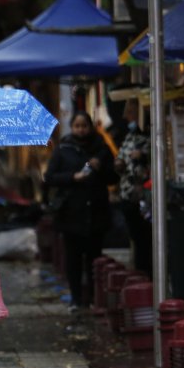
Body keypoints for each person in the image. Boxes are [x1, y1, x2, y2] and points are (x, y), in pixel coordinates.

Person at [45, 111, 118, 310]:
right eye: (77, 126)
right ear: (72, 127)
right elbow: (50, 177)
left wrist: (100, 168)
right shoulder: (63, 148)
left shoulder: (101, 149)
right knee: (73, 260)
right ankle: (77, 299)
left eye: (84, 126)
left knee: (94, 259)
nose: (81, 130)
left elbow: (114, 177)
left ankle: (95, 298)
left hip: (96, 213)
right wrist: (72, 177)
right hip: (71, 215)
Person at [114, 99, 151, 275]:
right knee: (137, 240)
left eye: (129, 112)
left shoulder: (149, 137)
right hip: (128, 196)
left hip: (145, 199)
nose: (125, 116)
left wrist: (142, 157)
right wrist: (119, 164)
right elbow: (120, 161)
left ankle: (148, 276)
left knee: (146, 241)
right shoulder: (129, 137)